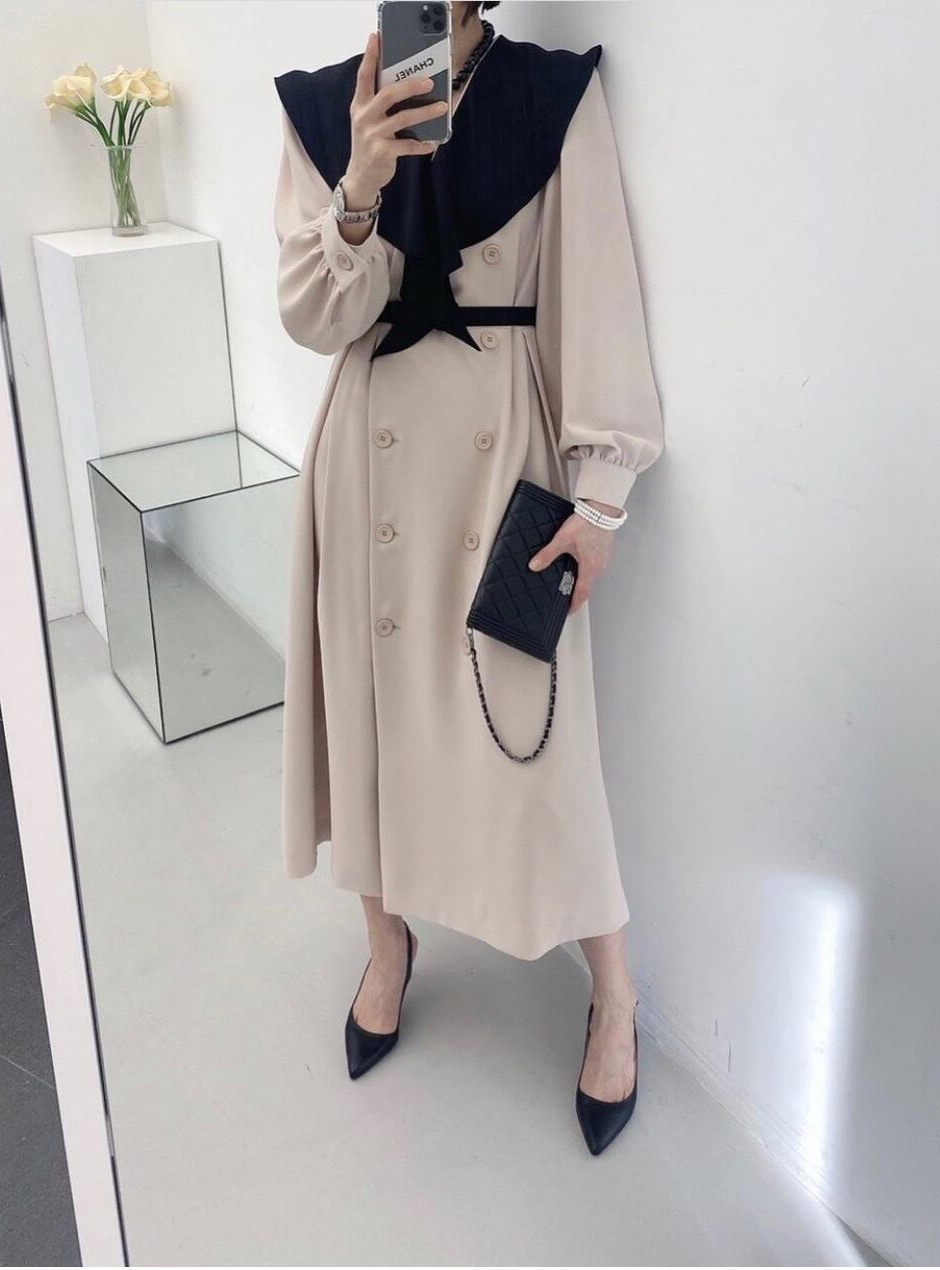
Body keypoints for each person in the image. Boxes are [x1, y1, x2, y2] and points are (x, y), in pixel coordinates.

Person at [272, 1, 664, 1154]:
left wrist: (601, 492)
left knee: (538, 742)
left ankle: (614, 992)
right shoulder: (319, 109)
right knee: (370, 720)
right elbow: (314, 317)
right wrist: (358, 187)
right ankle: (385, 943)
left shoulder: (551, 96)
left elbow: (597, 290)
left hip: (500, 461)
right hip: (369, 461)